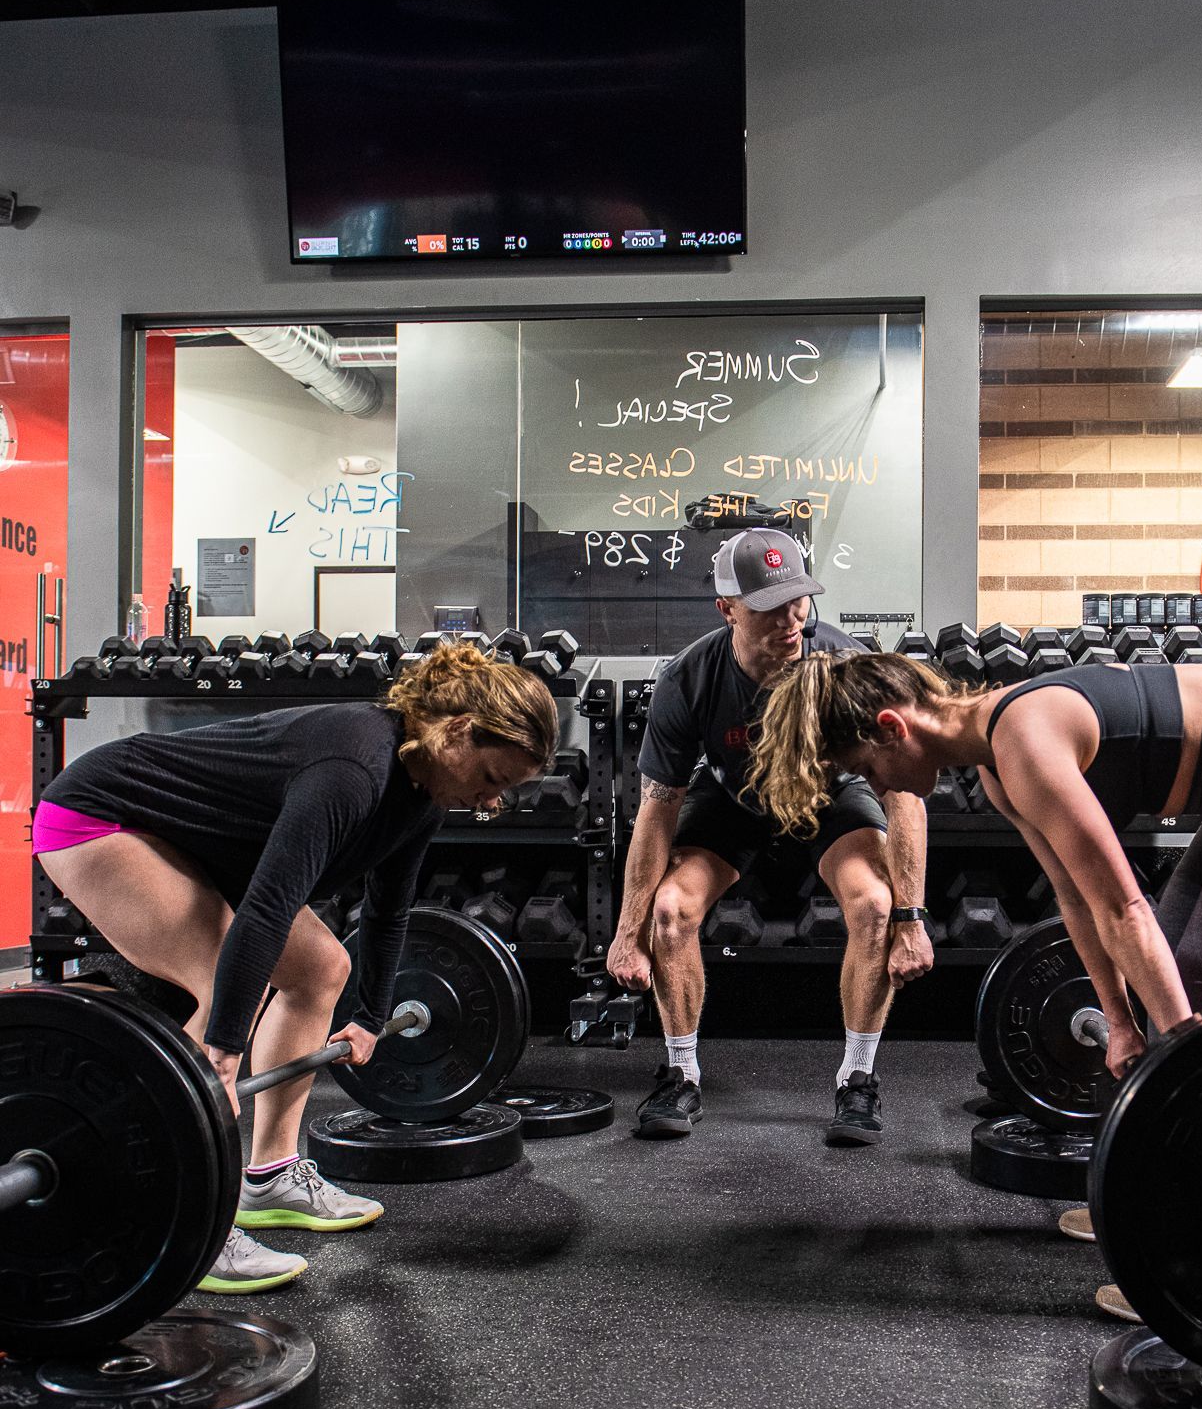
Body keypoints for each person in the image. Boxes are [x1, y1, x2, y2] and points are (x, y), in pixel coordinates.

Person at [748, 648, 1202, 1300]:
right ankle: (1163, 1204)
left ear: (892, 727)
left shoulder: (1022, 737)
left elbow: (1124, 905)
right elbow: (1076, 896)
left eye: (868, 771)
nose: (880, 790)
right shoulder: (998, 763)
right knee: (1165, 972)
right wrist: (1119, 1022)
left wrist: (1184, 1071)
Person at [33, 643, 557, 1292]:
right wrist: (222, 1056)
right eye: (492, 777)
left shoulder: (420, 795)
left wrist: (367, 1016)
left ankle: (270, 1176)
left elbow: (389, 909)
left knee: (321, 968)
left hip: (191, 841)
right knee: (220, 973)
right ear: (456, 732)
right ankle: (192, 1222)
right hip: (100, 817)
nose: (490, 800)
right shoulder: (354, 766)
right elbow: (269, 908)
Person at [606, 528, 933, 1144]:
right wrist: (628, 934)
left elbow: (903, 791)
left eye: (798, 601)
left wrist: (913, 920)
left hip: (828, 794)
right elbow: (657, 810)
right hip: (734, 798)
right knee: (671, 911)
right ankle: (681, 1073)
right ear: (726, 608)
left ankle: (857, 1080)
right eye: (768, 607)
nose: (790, 620)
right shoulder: (689, 680)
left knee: (875, 906)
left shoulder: (843, 666)